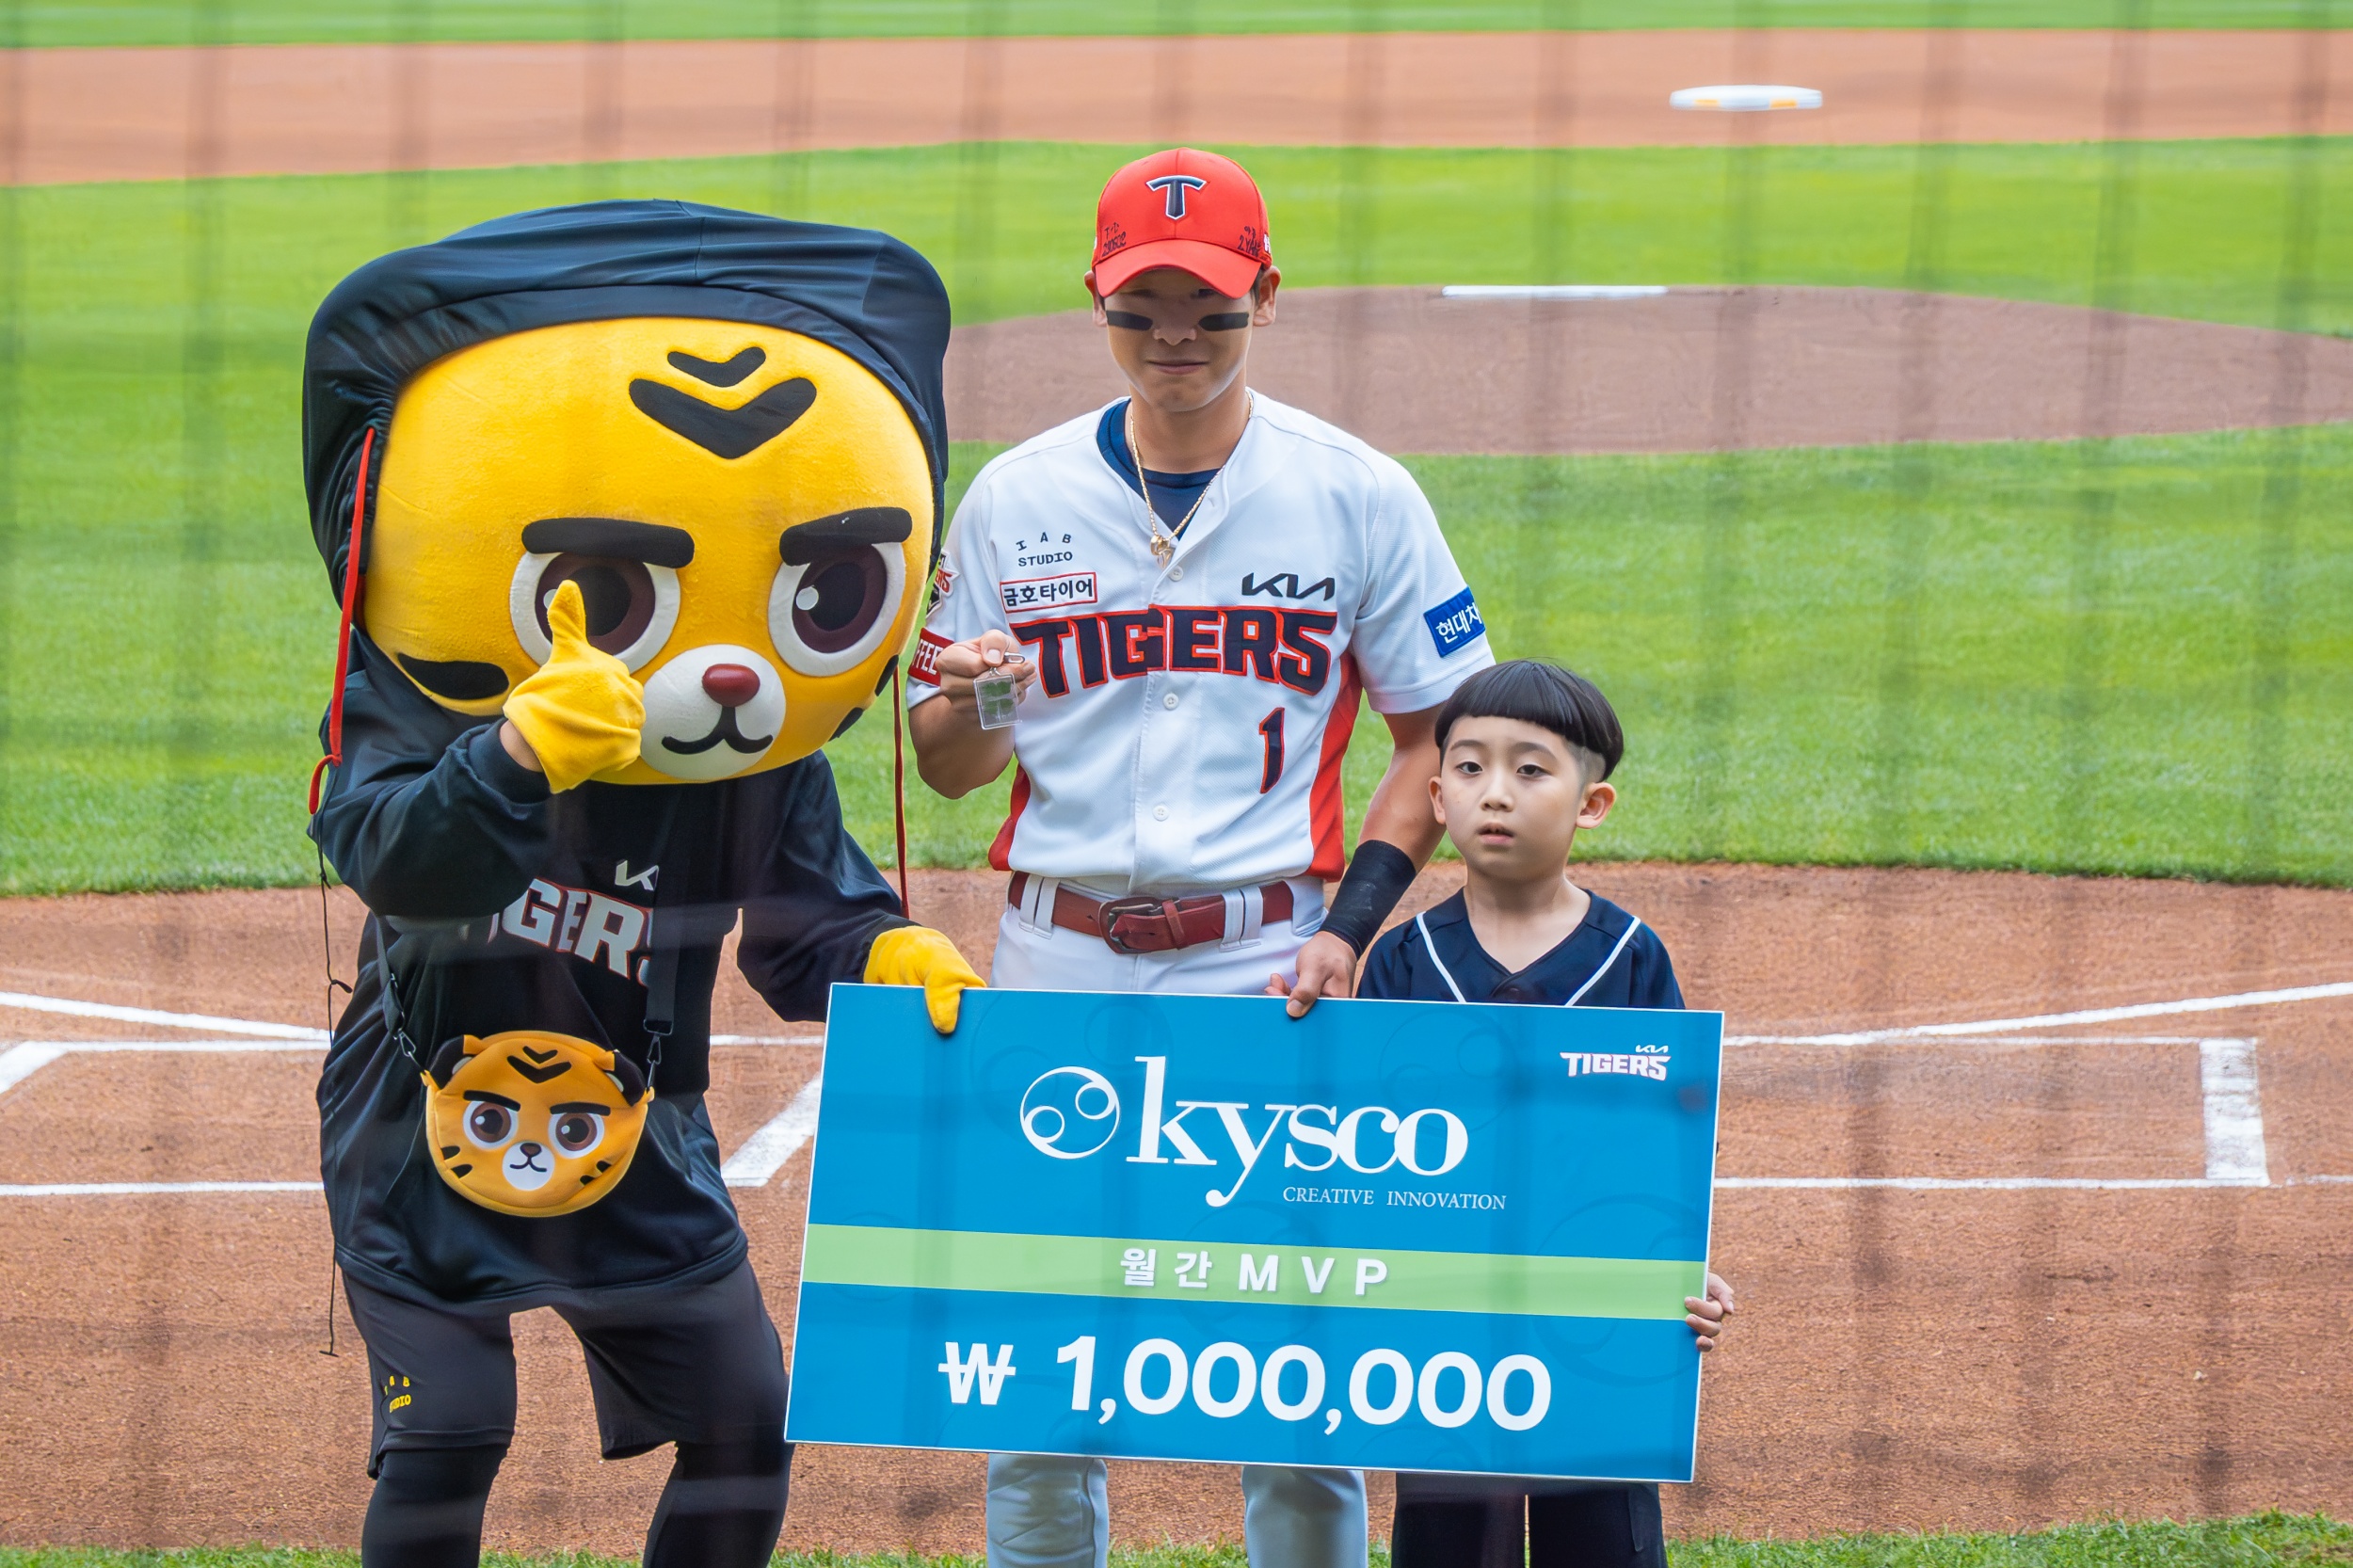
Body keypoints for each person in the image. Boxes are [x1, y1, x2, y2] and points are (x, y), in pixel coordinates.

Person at [301, 203, 984, 1568]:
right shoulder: (425, 697)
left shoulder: (757, 754)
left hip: (643, 1128)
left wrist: (889, 954)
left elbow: (812, 931)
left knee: (745, 1418)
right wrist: (513, 753)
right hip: (414, 1129)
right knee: (450, 1430)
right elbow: (388, 854)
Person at [908, 147, 1496, 1568]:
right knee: (1041, 1354)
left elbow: (1440, 737)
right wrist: (977, 697)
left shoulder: (1358, 493)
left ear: (1266, 299)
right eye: (1144, 308)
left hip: (1270, 963)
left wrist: (1352, 925)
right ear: (1098, 303)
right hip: (1055, 959)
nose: (1176, 336)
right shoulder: (1014, 497)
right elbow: (946, 764)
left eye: (1211, 309)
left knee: (1293, 1357)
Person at [1354, 658, 1737, 1568]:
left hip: (1594, 1313)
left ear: (1591, 804)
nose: (1496, 793)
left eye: (1531, 770)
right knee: (1450, 1536)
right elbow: (1366, 1155)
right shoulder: (1402, 961)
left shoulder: (1633, 957)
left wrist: (1682, 1265)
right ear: (1437, 795)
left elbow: (1660, 1150)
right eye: (1471, 767)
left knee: (1601, 1531)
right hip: (1442, 1324)